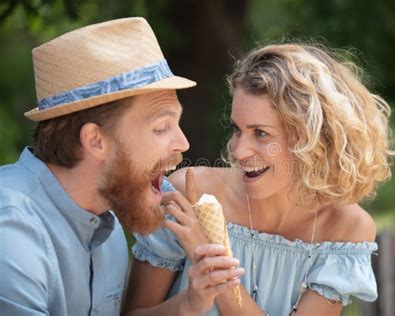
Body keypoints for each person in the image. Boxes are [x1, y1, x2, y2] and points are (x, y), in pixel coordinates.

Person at [125, 42, 395, 316]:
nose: (239, 150)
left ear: (313, 139)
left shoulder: (346, 229)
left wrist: (211, 258)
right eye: (237, 129)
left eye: (261, 133)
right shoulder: (188, 193)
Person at [0, 17, 242, 315]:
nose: (183, 143)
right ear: (96, 140)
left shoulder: (107, 226)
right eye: (161, 127)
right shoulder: (10, 230)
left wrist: (189, 304)